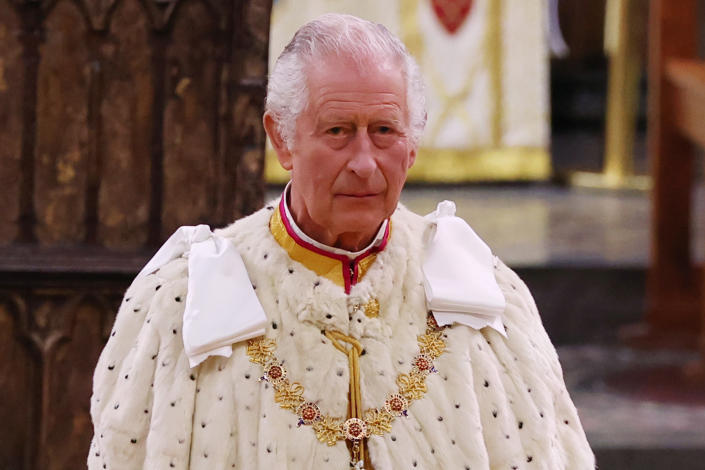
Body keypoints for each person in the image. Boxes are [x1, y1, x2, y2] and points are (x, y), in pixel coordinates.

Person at [88, 13, 594, 470]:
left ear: (413, 144)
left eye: (384, 131)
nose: (364, 162)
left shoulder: (485, 297)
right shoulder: (184, 299)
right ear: (282, 138)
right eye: (337, 131)